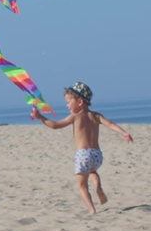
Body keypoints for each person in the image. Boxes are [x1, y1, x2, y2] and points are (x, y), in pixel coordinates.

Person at [30, 82, 133, 214]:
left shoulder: (75, 116)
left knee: (81, 185)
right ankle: (98, 187)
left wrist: (40, 117)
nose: (67, 105)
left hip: (83, 155)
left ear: (79, 102)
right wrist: (124, 133)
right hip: (97, 155)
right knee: (92, 172)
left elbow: (55, 125)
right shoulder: (96, 115)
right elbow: (110, 124)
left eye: (68, 102)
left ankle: (92, 210)